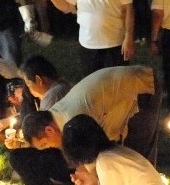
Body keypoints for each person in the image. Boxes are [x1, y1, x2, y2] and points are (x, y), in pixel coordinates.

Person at [21, 65, 161, 165]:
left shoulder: (72, 119)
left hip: (140, 87)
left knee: (138, 155)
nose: (51, 147)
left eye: (45, 144)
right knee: (127, 156)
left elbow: (92, 155)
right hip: (124, 91)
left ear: (49, 130)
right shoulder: (58, 115)